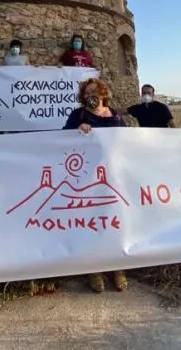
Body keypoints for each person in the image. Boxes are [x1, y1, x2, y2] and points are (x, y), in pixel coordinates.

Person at [62, 78, 128, 293]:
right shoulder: (78, 115)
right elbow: (61, 138)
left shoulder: (116, 115)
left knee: (115, 221)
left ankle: (117, 268)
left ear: (102, 93)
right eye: (87, 92)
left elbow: (128, 140)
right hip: (88, 179)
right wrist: (76, 130)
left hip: (114, 176)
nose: (91, 95)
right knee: (92, 222)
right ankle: (95, 269)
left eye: (94, 91)